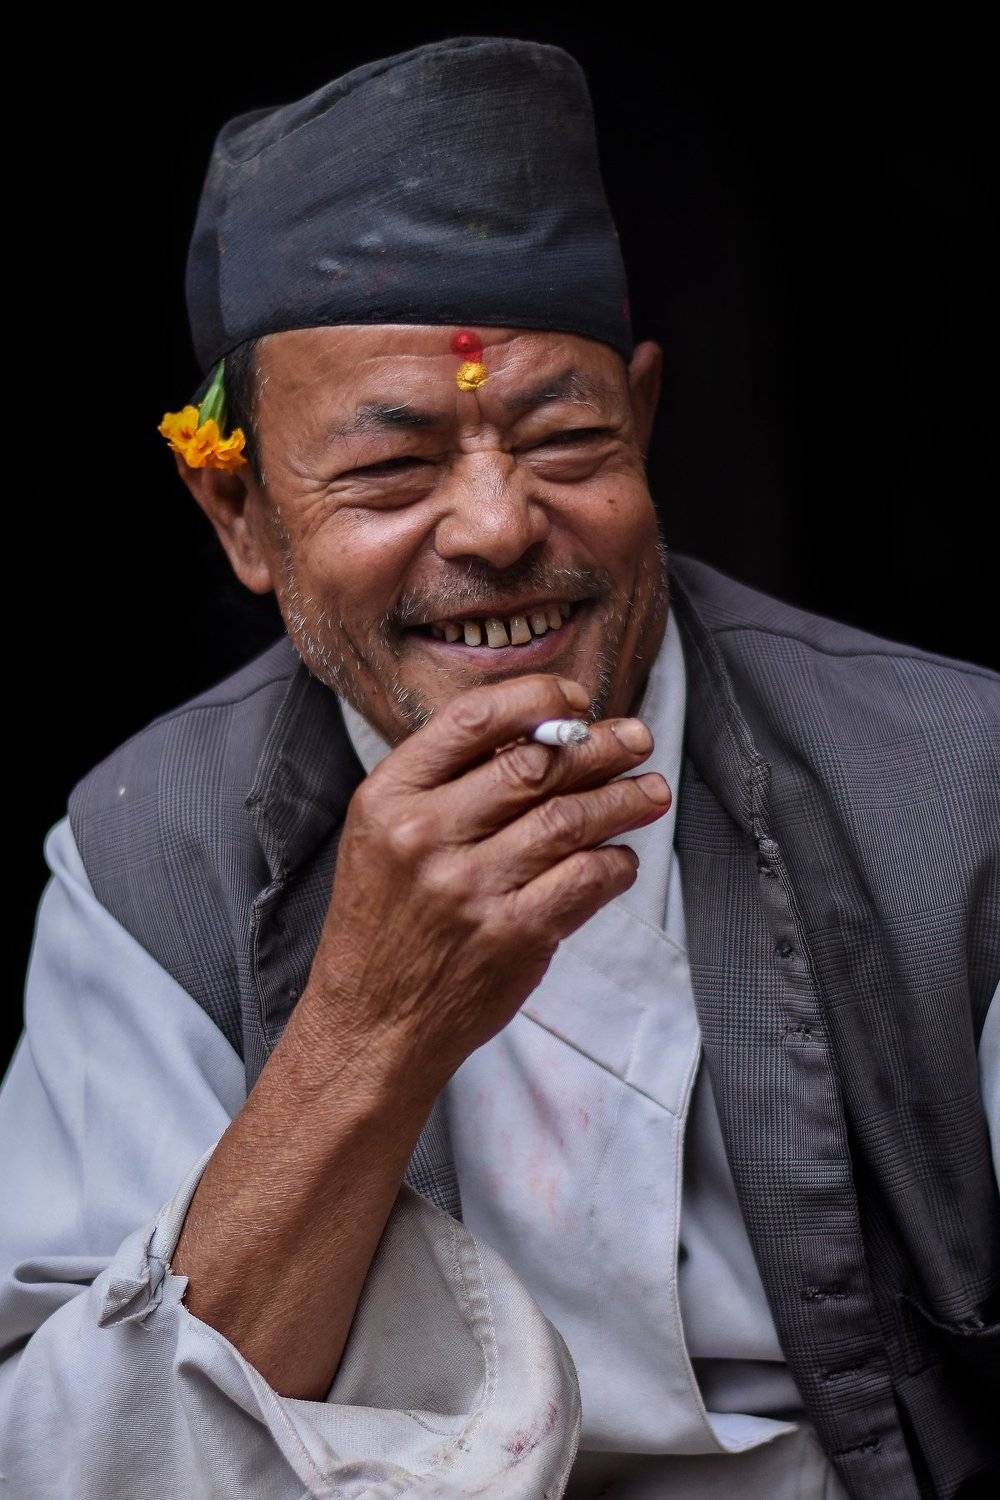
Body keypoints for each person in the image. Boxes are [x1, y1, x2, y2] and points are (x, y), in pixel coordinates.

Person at [1, 35, 997, 1500]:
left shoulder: (952, 788)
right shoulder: (149, 859)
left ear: (643, 423)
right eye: (390, 469)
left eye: (566, 437)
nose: (497, 525)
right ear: (241, 515)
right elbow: (88, 1465)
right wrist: (367, 1030)